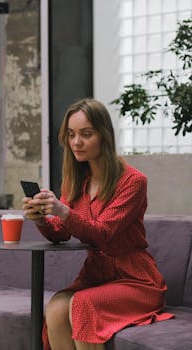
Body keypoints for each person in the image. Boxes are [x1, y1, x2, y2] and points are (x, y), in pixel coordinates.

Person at [22, 98, 173, 350]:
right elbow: (61, 233)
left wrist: (63, 210)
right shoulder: (75, 181)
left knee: (82, 303)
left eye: (86, 134)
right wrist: (41, 218)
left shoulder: (133, 182)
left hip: (136, 281)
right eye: (71, 135)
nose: (76, 142)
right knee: (57, 307)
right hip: (96, 276)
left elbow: (102, 233)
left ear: (104, 135)